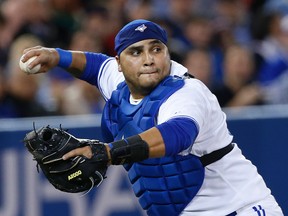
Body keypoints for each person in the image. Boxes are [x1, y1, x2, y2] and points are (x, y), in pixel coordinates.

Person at [20, 19, 283, 216]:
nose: (148, 59)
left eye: (156, 49)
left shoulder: (186, 91)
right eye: (136, 52)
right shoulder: (120, 80)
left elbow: (176, 134)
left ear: (167, 53)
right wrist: (57, 56)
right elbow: (95, 66)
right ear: (120, 64)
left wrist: (108, 152)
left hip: (241, 207)